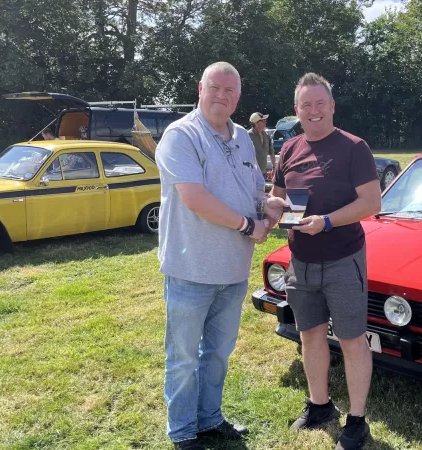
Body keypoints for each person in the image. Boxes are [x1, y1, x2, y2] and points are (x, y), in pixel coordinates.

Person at [155, 61, 286, 450]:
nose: (222, 96)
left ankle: (210, 418)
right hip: (191, 269)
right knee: (182, 357)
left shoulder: (244, 137)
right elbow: (195, 199)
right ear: (200, 88)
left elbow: (252, 186)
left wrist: (268, 203)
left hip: (233, 270)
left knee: (217, 352)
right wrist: (248, 226)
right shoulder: (181, 135)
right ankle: (182, 432)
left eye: (230, 91)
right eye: (215, 88)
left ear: (238, 98)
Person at [271, 72, 381, 450]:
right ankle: (320, 406)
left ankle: (357, 421)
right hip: (300, 262)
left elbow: (371, 202)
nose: (313, 111)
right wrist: (270, 212)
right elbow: (279, 198)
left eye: (320, 104)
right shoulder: (289, 149)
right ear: (296, 110)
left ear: (332, 106)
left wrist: (328, 221)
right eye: (306, 105)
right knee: (310, 334)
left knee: (351, 340)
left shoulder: (354, 147)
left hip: (343, 260)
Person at [248, 112, 275, 178]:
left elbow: (271, 152)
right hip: (250, 174)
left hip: (263, 174)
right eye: (263, 121)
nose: (265, 123)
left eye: (265, 121)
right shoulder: (247, 136)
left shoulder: (266, 136)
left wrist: (274, 167)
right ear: (256, 123)